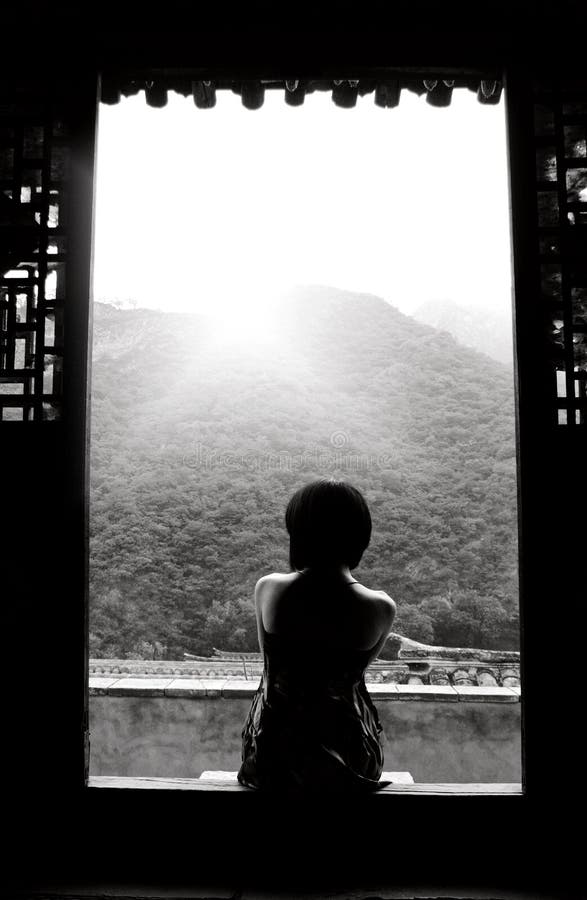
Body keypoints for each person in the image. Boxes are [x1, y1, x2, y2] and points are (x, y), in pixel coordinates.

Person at [238, 478, 396, 792]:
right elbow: (353, 678)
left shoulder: (269, 589)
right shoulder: (381, 607)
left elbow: (270, 673)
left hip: (272, 756)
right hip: (353, 758)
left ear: (298, 534)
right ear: (360, 536)